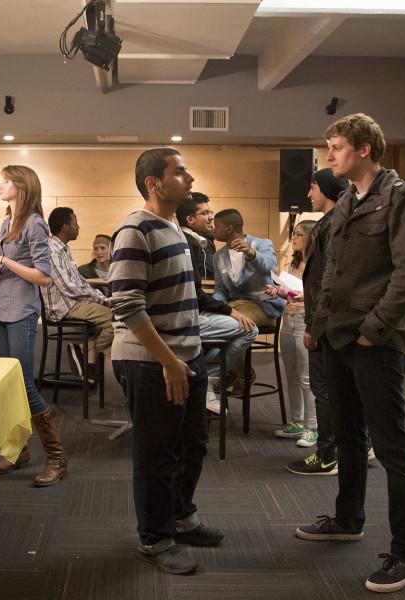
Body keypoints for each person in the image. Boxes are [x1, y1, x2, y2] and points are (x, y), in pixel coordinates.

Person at [296, 113, 405, 594]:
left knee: (392, 449)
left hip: (372, 343)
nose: (328, 156)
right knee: (348, 439)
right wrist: (318, 325)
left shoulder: (401, 199)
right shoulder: (349, 200)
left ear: (365, 148)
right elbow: (331, 272)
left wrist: (374, 330)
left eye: (335, 147)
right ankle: (347, 518)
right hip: (335, 338)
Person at [110, 147, 222, 575]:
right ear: (154, 183)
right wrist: (169, 362)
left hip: (184, 359)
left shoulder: (173, 225)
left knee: (191, 445)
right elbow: (127, 306)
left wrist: (185, 358)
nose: (190, 178)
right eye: (180, 172)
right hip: (150, 361)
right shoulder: (134, 230)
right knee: (156, 454)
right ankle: (154, 538)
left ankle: (180, 516)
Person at [0, 165, 68, 487]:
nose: (0, 185)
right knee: (7, 384)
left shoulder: (35, 224)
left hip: (22, 311)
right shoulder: (7, 222)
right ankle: (18, 451)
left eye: (6, 181)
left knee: (24, 384)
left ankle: (57, 458)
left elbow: (43, 276)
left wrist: (2, 260)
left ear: (22, 186)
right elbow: (15, 269)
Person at [287, 168, 348, 476]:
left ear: (326, 189)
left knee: (323, 390)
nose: (309, 194)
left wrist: (313, 326)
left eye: (312, 188)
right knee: (332, 390)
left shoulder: (331, 225)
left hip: (325, 324)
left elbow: (328, 281)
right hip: (330, 321)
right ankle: (344, 450)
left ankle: (326, 456)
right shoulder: (336, 222)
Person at [176, 196, 257, 412]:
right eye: (205, 213)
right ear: (190, 219)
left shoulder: (202, 240)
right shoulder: (189, 242)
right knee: (248, 328)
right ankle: (213, 377)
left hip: (204, 306)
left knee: (237, 325)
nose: (212, 216)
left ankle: (212, 379)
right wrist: (228, 309)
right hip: (192, 314)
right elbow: (198, 290)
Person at [212, 208, 284, 393]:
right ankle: (232, 371)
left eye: (216, 226)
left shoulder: (261, 244)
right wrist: (216, 307)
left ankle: (232, 373)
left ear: (229, 228)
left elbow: (270, 266)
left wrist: (251, 254)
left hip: (263, 305)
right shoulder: (218, 256)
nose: (213, 230)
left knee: (231, 324)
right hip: (234, 307)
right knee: (213, 321)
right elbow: (220, 290)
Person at [42, 207, 113, 377]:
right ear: (66, 227)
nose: (78, 226)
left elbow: (80, 282)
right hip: (64, 306)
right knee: (116, 321)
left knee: (117, 317)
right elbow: (68, 286)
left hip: (74, 302)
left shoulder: (64, 250)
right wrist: (98, 299)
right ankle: (86, 353)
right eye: (75, 223)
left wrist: (101, 299)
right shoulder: (52, 250)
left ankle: (88, 361)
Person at [267, 221, 317, 445]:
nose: (293, 239)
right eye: (293, 234)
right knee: (293, 375)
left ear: (310, 237)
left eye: (298, 235)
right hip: (288, 319)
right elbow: (290, 294)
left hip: (306, 320)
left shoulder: (318, 263)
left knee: (308, 378)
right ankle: (296, 421)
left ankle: (312, 427)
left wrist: (303, 295)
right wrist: (278, 290)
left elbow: (321, 294)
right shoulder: (293, 261)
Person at [77, 233, 112, 297]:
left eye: (103, 248)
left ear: (111, 250)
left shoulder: (119, 270)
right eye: (95, 249)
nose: (99, 252)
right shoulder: (82, 271)